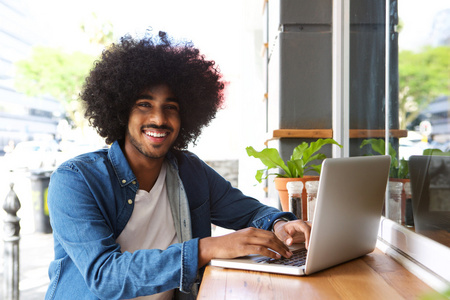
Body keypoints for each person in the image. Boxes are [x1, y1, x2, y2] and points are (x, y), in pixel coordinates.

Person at [45, 31, 311, 300]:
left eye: (170, 107)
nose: (159, 118)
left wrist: (278, 224)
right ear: (121, 110)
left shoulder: (190, 171)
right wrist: (206, 249)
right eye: (144, 105)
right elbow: (105, 276)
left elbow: (249, 212)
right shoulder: (76, 181)